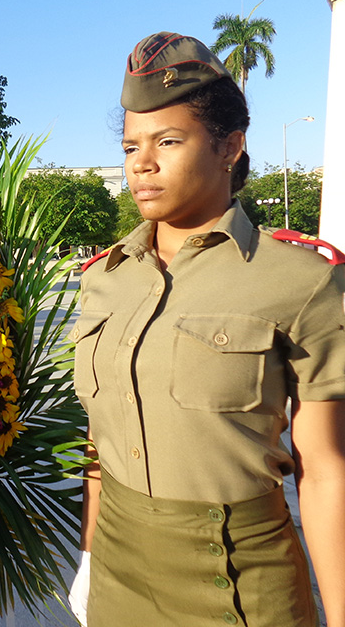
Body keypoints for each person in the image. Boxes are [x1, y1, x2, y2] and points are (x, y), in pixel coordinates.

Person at [69, 32, 345, 627]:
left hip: (238, 583)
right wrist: (89, 556)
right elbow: (99, 447)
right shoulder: (103, 280)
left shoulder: (299, 281)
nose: (142, 162)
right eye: (130, 145)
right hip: (117, 572)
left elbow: (325, 470)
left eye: (168, 141)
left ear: (230, 147)